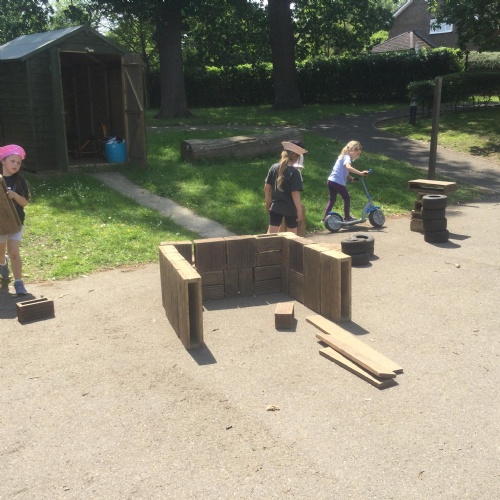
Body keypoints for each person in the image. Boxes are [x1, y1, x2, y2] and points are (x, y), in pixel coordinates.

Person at [0, 144, 30, 295]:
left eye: (18, 163)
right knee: (0, 252)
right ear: (3, 161)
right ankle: (2, 263)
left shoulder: (20, 181)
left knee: (14, 252)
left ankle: (19, 282)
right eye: (12, 161)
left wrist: (15, 196)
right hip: (0, 224)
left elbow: (25, 202)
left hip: (17, 222)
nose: (15, 165)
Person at [264, 141, 307, 234]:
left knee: (271, 234)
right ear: (298, 157)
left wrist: (268, 203)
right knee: (292, 236)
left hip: (275, 207)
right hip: (290, 209)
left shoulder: (274, 167)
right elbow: (295, 193)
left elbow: (267, 188)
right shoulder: (295, 173)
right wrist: (299, 211)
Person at [322, 140, 369, 222]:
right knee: (347, 197)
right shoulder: (347, 158)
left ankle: (324, 218)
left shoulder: (342, 156)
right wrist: (360, 173)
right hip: (337, 182)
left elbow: (341, 170)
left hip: (331, 181)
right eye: (357, 154)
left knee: (332, 199)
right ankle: (347, 217)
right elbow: (348, 167)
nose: (357, 156)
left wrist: (350, 177)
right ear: (352, 150)